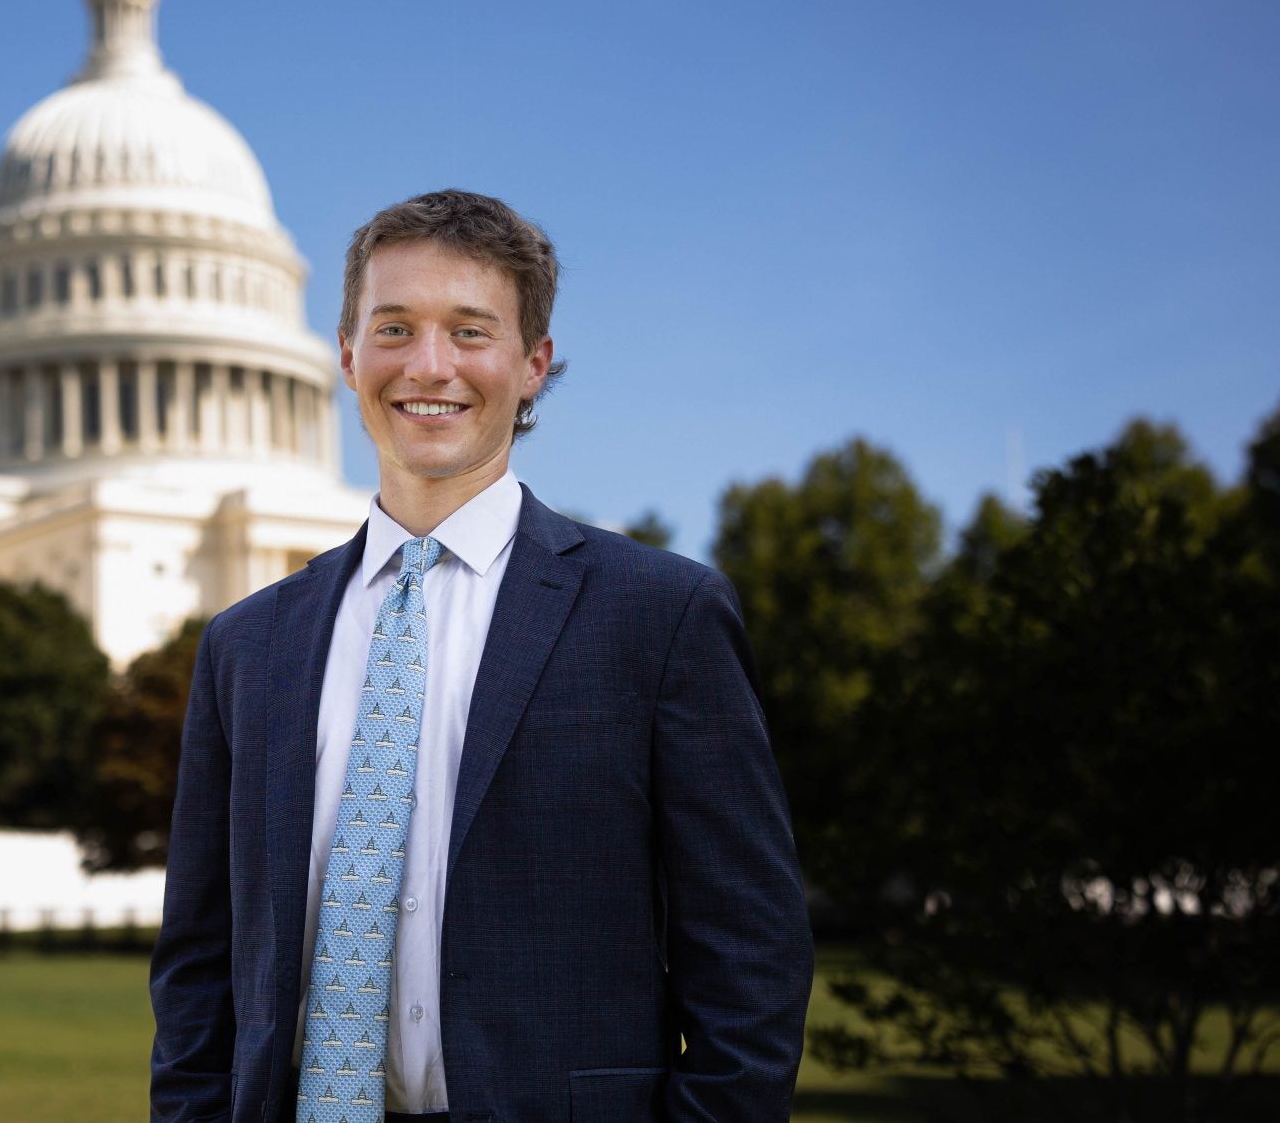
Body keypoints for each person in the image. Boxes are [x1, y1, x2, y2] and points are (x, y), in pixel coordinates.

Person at [150, 189, 812, 1123]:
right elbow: (199, 961)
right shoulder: (247, 645)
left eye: (471, 331)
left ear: (533, 363)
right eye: (394, 327)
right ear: (345, 355)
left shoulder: (659, 616)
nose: (430, 366)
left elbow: (752, 953)